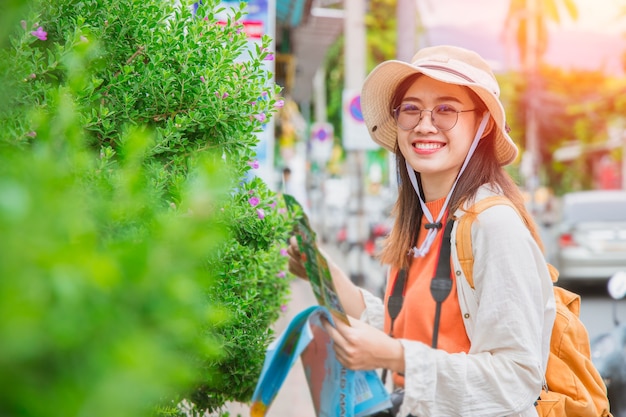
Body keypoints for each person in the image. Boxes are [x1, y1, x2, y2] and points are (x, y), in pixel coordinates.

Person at [288, 45, 556, 416]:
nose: (424, 124)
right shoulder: (422, 221)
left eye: (446, 109)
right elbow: (402, 330)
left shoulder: (494, 224)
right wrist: (325, 273)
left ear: (483, 125)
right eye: (411, 109)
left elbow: (515, 378)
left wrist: (396, 357)